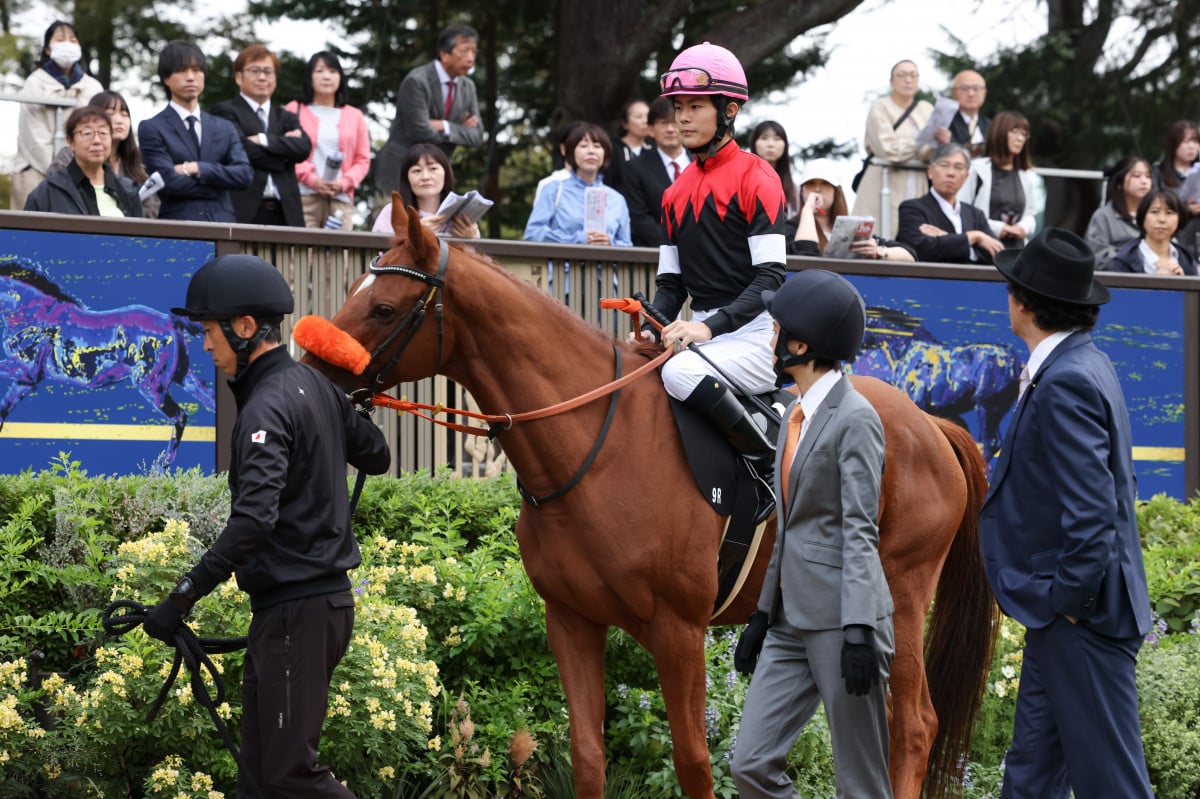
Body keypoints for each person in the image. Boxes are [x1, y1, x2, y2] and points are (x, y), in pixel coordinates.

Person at [143, 253, 390, 797]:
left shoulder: (265, 408)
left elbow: (253, 520)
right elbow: (376, 454)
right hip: (308, 609)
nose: (205, 345)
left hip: (296, 614)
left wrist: (181, 597)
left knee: (289, 775)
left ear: (245, 327)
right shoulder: (314, 387)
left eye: (209, 332)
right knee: (257, 779)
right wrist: (345, 407)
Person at [982, 228, 1154, 798]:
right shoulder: (1083, 364)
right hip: (1063, 617)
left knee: (1112, 784)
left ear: (1023, 301)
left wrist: (1069, 603)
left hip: (1082, 618)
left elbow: (1095, 509)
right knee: (1030, 775)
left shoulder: (1067, 381)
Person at [730, 269, 893, 799]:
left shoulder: (856, 419)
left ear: (801, 345)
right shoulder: (794, 413)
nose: (769, 337)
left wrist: (859, 628)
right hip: (787, 621)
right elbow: (790, 523)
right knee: (750, 766)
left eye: (776, 329)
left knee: (861, 784)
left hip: (843, 622)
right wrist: (760, 610)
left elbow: (860, 530)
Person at [630, 42, 786, 519]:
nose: (683, 117)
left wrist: (707, 327)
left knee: (678, 371)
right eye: (678, 107)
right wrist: (655, 320)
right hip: (703, 336)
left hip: (755, 338)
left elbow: (772, 279)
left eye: (695, 106)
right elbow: (672, 284)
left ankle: (765, 463)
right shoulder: (674, 192)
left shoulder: (758, 177)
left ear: (729, 109)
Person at [139, 40, 253, 223]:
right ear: (166, 78)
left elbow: (244, 175)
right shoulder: (152, 127)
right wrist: (221, 183)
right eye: (182, 70)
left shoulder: (224, 127)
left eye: (197, 70)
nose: (191, 77)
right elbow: (167, 182)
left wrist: (197, 168)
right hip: (178, 223)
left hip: (224, 224)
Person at [374, 23, 483, 196]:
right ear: (444, 54)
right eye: (464, 51)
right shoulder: (417, 81)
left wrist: (443, 126)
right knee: (395, 222)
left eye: (474, 51)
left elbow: (477, 136)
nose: (470, 58)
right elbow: (419, 130)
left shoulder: (468, 86)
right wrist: (459, 129)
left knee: (431, 222)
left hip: (436, 175)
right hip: (401, 169)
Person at [211, 44, 311, 227]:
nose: (262, 77)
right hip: (244, 211)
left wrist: (263, 139)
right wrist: (283, 157)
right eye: (255, 71)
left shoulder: (286, 116)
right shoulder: (224, 111)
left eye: (268, 71)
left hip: (286, 214)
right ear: (238, 77)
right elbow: (241, 151)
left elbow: (304, 148)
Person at [11, 20, 104, 210]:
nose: (67, 44)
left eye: (72, 40)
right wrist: (63, 175)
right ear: (47, 48)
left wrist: (79, 171)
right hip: (36, 170)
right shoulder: (34, 83)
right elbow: (34, 138)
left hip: (85, 174)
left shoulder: (92, 86)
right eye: (60, 39)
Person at [285, 51, 371, 230]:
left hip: (340, 199)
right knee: (301, 255)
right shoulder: (294, 109)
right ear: (309, 76)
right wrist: (311, 179)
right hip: (303, 196)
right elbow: (286, 153)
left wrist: (344, 183)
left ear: (340, 77)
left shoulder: (354, 115)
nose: (327, 76)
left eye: (333, 71)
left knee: (340, 256)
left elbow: (362, 159)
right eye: (320, 71)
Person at [45, 90, 160, 218]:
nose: (119, 120)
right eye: (110, 113)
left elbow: (152, 206)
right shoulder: (70, 156)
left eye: (124, 114)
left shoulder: (135, 163)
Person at [851, 60, 934, 237]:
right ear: (891, 81)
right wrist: (921, 144)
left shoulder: (927, 109)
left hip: (918, 181)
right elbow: (887, 149)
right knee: (876, 238)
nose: (908, 80)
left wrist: (939, 143)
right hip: (883, 180)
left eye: (913, 75)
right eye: (902, 75)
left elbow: (930, 152)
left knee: (916, 237)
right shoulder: (880, 107)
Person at [522, 122, 631, 246]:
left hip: (605, 265)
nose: (591, 151)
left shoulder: (617, 199)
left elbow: (627, 244)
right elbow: (533, 233)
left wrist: (610, 243)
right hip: (563, 264)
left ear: (605, 153)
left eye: (597, 146)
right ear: (571, 152)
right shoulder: (554, 189)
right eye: (583, 146)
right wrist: (576, 240)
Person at [787, 157, 915, 261]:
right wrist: (808, 210)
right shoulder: (790, 228)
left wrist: (878, 251)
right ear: (802, 190)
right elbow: (806, 252)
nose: (817, 189)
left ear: (836, 191)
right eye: (810, 183)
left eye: (825, 184)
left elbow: (910, 255)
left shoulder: (851, 227)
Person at [24, 106, 142, 217]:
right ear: (70, 142)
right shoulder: (50, 190)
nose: (97, 141)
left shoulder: (128, 190)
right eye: (87, 133)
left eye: (103, 133)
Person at [897, 142, 1004, 264]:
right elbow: (920, 250)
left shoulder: (975, 215)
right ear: (930, 171)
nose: (951, 173)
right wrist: (974, 237)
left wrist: (947, 238)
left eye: (958, 167)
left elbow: (997, 255)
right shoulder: (912, 209)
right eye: (944, 165)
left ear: (966, 176)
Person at [957, 110, 1044, 248]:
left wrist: (1023, 227)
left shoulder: (1026, 174)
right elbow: (961, 211)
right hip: (983, 251)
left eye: (1024, 134)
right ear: (999, 133)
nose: (1020, 138)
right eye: (1014, 132)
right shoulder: (978, 169)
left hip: (1017, 252)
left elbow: (1031, 215)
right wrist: (999, 228)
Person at [620, 96, 690, 247]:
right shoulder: (635, 167)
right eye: (664, 123)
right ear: (651, 130)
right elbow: (639, 217)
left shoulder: (702, 162)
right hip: (657, 254)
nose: (670, 129)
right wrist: (674, 247)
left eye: (674, 122)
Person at [372, 142, 480, 238]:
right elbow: (379, 254)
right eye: (417, 170)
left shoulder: (462, 216)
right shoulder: (393, 212)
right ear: (407, 178)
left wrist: (472, 239)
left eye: (433, 169)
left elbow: (477, 258)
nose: (425, 177)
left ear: (445, 174)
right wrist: (413, 235)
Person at [1084, 156, 1152, 269]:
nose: (1144, 181)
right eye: (1137, 176)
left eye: (1148, 176)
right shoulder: (1103, 216)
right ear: (1119, 183)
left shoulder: (1157, 214)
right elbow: (1097, 257)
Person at [1108, 189, 1197, 275]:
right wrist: (1155, 282)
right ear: (1143, 217)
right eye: (1154, 212)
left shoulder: (1187, 260)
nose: (1162, 219)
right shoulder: (1125, 259)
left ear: (1179, 219)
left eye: (1169, 213)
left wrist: (1182, 283)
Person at [1151, 120, 1200, 253]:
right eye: (1185, 142)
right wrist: (1187, 208)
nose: (1192, 147)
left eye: (1195, 142)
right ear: (1174, 145)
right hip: (1171, 239)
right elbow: (1153, 206)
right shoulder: (1158, 173)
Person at [934, 69, 990, 156]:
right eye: (964, 88)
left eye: (976, 88)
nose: (971, 93)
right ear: (954, 92)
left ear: (984, 93)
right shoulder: (944, 124)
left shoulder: (991, 126)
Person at [749, 120, 798, 217]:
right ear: (754, 143)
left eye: (777, 139)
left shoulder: (795, 191)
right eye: (764, 138)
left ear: (785, 145)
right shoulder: (743, 181)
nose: (770, 144)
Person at [605, 99, 651, 192]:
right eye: (639, 117)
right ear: (625, 124)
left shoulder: (654, 148)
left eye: (648, 116)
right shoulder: (611, 148)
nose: (645, 121)